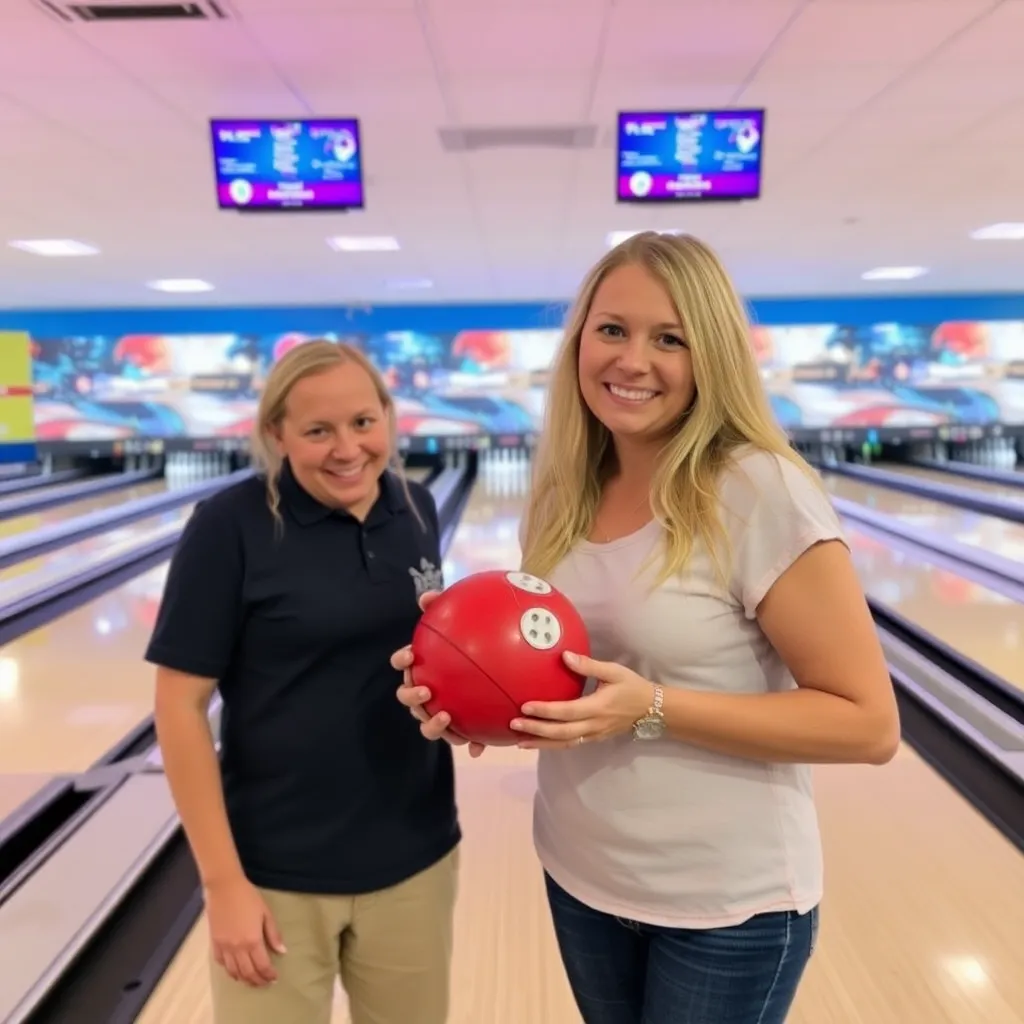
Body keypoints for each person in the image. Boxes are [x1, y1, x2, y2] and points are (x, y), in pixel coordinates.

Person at [392, 232, 900, 1024]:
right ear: (580, 341)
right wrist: (473, 696)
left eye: (670, 339)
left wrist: (655, 705)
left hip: (726, 907)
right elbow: (568, 679)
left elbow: (868, 724)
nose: (633, 360)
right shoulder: (563, 493)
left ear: (712, 358)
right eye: (613, 329)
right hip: (581, 873)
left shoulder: (758, 491)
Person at [146, 340, 460, 1024]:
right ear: (277, 434)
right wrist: (222, 883)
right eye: (318, 430)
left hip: (416, 853)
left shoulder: (416, 508)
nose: (347, 448)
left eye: (362, 423)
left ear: (387, 416)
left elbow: (426, 661)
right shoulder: (229, 528)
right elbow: (179, 707)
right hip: (275, 871)